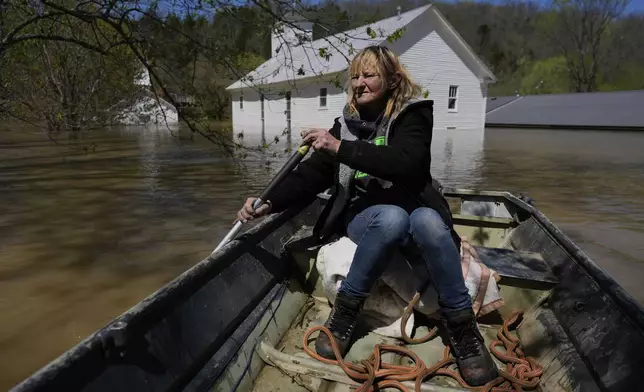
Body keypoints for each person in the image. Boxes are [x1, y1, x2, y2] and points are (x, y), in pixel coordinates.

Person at [236, 45, 498, 386]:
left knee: (430, 222)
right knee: (391, 218)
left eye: (369, 74)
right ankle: (344, 315)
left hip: (417, 210)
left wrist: (339, 147)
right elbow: (311, 175)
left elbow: (407, 161)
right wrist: (268, 202)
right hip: (367, 215)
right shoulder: (343, 125)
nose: (359, 83)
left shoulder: (414, 115)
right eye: (355, 76)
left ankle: (464, 329)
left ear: (391, 79)